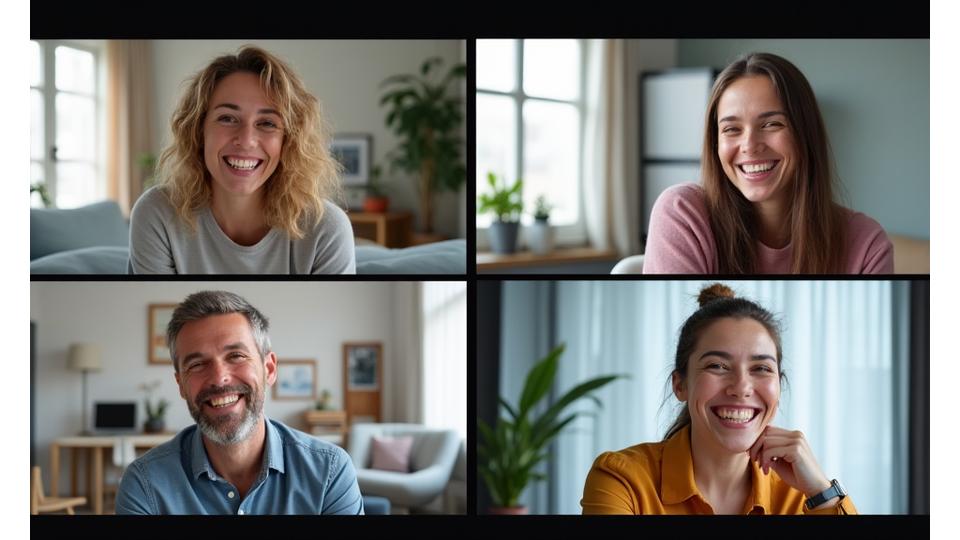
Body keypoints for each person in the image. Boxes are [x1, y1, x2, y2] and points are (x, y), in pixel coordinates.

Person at [580, 283, 857, 515]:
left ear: (779, 387)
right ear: (680, 385)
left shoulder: (805, 497)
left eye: (761, 368)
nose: (741, 387)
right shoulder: (622, 480)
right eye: (717, 366)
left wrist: (823, 493)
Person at [115, 290, 364, 514]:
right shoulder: (144, 484)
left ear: (269, 369)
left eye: (236, 356)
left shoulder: (330, 471)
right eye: (197, 364)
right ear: (181, 384)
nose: (219, 378)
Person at [643, 52, 892, 274]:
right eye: (731, 129)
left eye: (772, 124)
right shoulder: (682, 213)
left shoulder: (867, 246)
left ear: (805, 134)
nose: (750, 145)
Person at [128, 46, 356, 274]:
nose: (246, 141)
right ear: (198, 130)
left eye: (267, 123)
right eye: (227, 118)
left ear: (289, 140)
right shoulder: (157, 213)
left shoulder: (326, 229)